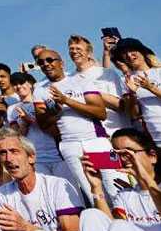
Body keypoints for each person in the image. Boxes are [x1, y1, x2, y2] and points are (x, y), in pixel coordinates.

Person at [79, 128, 161, 231]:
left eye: (129, 152)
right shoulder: (125, 195)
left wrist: (145, 178)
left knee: (122, 227)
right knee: (91, 215)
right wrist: (96, 187)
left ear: (152, 156)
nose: (124, 159)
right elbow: (111, 229)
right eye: (117, 154)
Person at [34, 47, 109, 202]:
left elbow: (101, 113)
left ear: (61, 63)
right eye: (41, 62)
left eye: (50, 60)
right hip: (70, 146)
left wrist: (67, 101)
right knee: (91, 192)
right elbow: (43, 124)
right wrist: (53, 112)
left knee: (113, 185)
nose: (46, 64)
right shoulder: (39, 91)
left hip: (96, 141)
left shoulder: (80, 80)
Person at [6, 72, 69, 179]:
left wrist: (30, 120)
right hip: (35, 158)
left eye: (21, 82)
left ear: (30, 84)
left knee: (69, 189)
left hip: (58, 155)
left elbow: (55, 126)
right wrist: (24, 125)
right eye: (15, 84)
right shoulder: (12, 109)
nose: (19, 86)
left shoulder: (43, 101)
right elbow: (17, 137)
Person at [116, 38, 161, 148]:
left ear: (142, 52)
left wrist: (151, 87)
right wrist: (132, 94)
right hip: (154, 135)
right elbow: (134, 114)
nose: (129, 55)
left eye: (132, 50)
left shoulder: (159, 71)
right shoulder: (126, 79)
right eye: (124, 53)